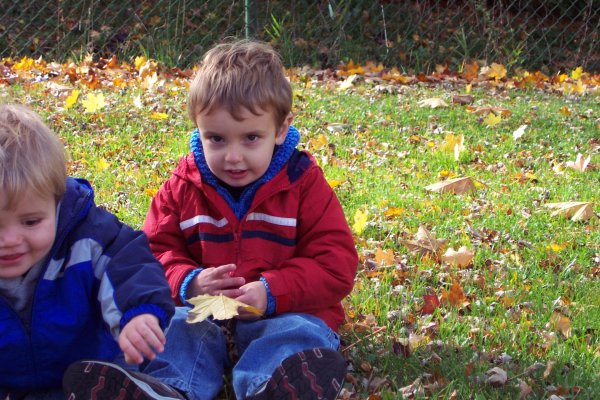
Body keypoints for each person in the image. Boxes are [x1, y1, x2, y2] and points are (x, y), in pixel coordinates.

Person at [142, 39, 359, 400]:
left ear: (280, 129)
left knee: (296, 334)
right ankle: (169, 389)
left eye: (251, 138)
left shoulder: (302, 184)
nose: (233, 156)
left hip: (284, 313)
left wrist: (272, 291)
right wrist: (188, 283)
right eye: (216, 138)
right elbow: (150, 254)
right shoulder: (183, 186)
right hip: (202, 317)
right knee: (172, 328)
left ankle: (271, 388)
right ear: (198, 129)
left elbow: (335, 265)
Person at [0, 104, 189, 400]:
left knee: (171, 344)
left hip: (90, 377)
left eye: (31, 221)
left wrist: (136, 315)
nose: (10, 240)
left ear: (56, 203)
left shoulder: (88, 238)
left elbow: (130, 266)